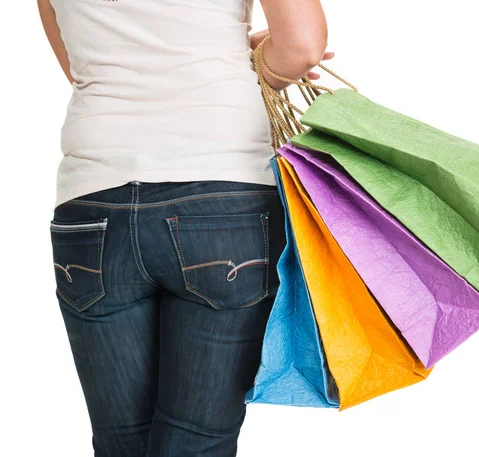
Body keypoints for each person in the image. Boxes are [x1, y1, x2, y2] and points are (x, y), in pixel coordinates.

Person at [37, 0, 332, 455]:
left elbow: (84, 68)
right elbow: (302, 47)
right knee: (199, 443)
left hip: (93, 201)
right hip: (222, 195)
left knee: (121, 443)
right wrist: (254, 64)